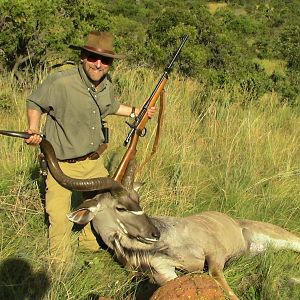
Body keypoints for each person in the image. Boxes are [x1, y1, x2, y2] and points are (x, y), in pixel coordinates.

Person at [25, 31, 156, 265]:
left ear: (110, 63)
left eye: (105, 60)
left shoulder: (106, 85)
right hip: (61, 166)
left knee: (104, 209)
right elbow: (35, 102)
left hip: (93, 162)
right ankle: (60, 267)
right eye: (93, 57)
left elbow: (112, 106)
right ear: (83, 56)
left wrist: (138, 111)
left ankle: (88, 246)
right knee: (59, 217)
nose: (98, 64)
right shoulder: (61, 82)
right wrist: (34, 129)